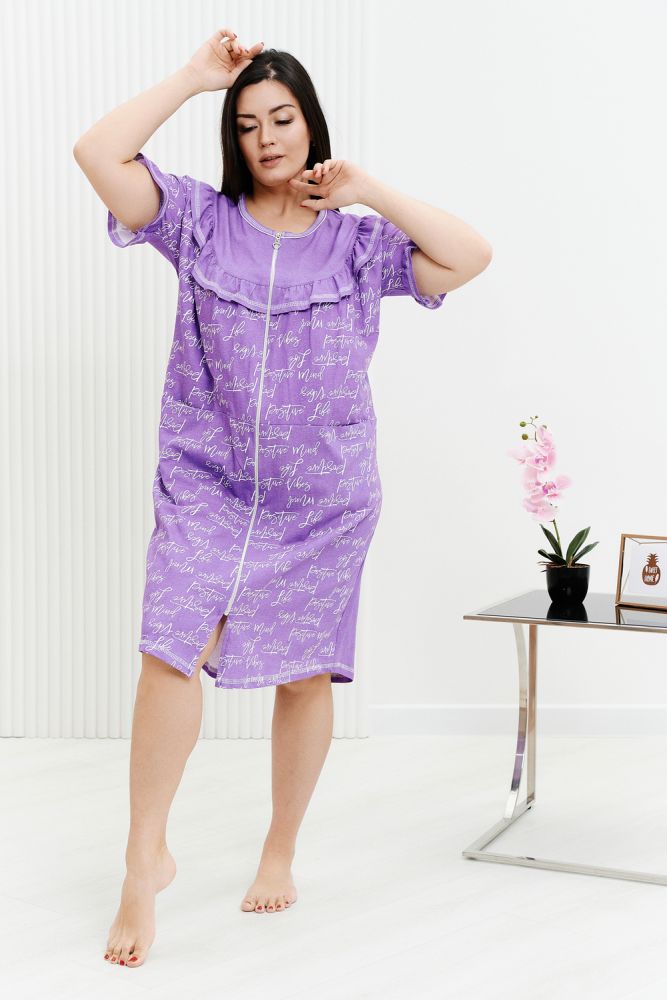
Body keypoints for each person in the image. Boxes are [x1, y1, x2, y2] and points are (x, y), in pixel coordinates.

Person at [73, 27, 492, 969]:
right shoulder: (195, 219)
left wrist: (368, 189)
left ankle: (279, 849)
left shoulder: (358, 246)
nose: (266, 137)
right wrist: (193, 78)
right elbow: (97, 152)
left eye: (283, 118)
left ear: (311, 127)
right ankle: (143, 858)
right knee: (170, 647)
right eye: (248, 123)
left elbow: (469, 255)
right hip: (206, 482)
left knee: (304, 675)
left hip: (325, 498)